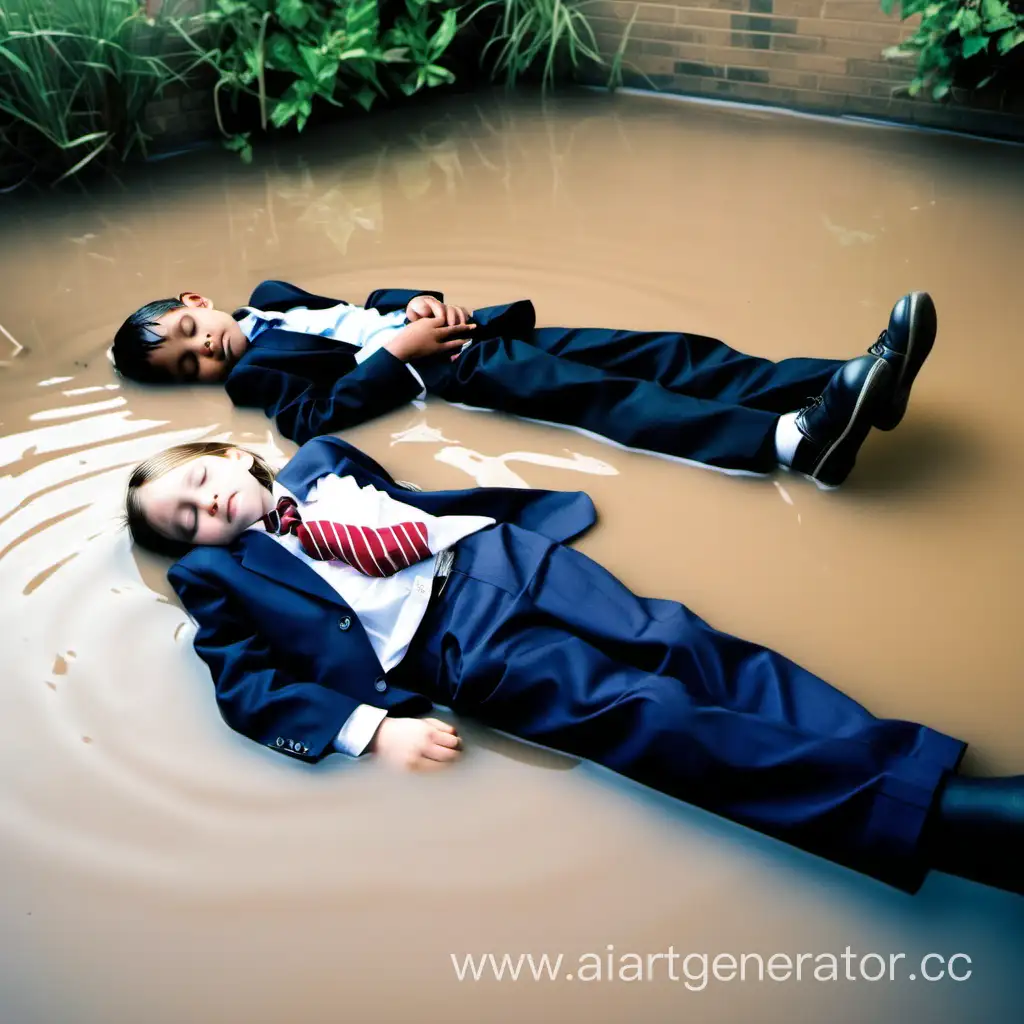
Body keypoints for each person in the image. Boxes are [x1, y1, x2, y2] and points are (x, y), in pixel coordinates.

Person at [124, 435, 1022, 897]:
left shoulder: (318, 460)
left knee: (696, 650)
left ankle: (914, 771)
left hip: (504, 558)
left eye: (199, 482)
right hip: (456, 647)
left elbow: (388, 466)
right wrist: (372, 729)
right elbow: (245, 690)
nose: (208, 507)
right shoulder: (219, 577)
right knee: (651, 717)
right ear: (189, 549)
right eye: (186, 520)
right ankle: (941, 824)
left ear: (228, 455)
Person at [109, 282, 938, 487]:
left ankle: (852, 382)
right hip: (456, 373)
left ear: (193, 300)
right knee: (610, 402)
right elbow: (315, 417)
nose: (204, 351)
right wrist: (400, 347)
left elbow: (363, 305)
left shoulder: (272, 298)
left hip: (480, 332)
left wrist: (413, 303)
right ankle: (790, 444)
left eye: (190, 333)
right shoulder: (251, 382)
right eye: (188, 365)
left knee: (667, 353)